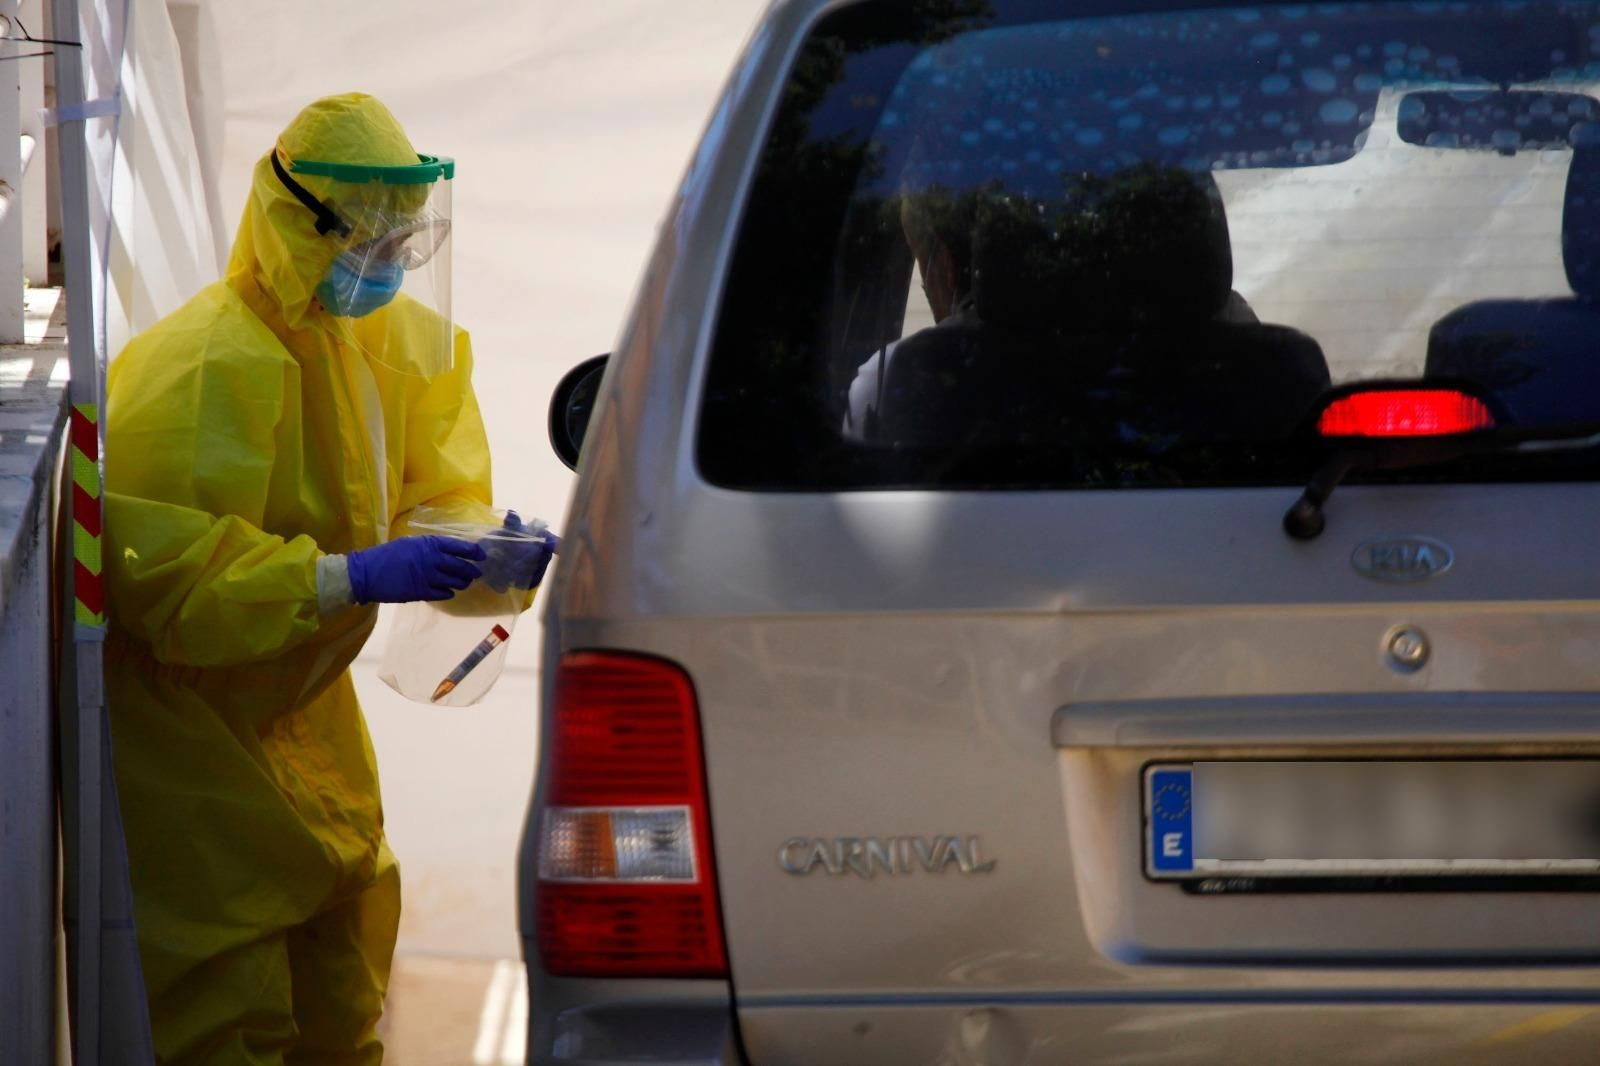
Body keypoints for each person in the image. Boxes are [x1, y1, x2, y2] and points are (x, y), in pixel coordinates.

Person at [102, 93, 554, 1065]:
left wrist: (491, 559)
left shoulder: (394, 345)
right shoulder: (200, 364)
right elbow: (160, 589)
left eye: (405, 244)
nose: (388, 266)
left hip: (310, 726)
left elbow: (437, 498)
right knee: (223, 1018)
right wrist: (345, 578)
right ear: (298, 225)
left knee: (344, 997)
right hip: (193, 754)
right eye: (370, 242)